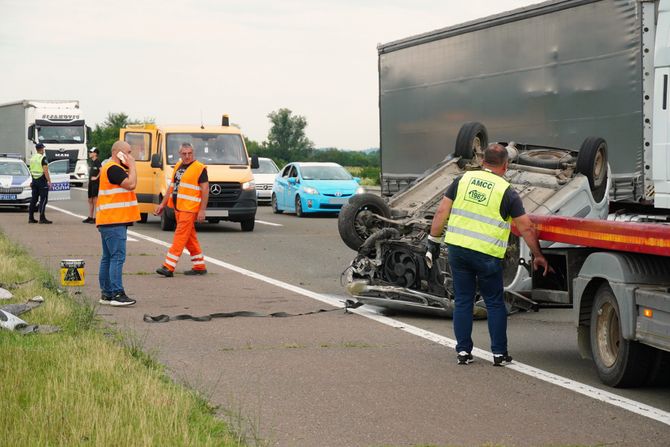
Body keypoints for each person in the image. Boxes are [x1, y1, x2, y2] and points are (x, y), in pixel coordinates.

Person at [426, 143, 550, 366]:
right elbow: (526, 228)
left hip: (458, 250)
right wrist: (537, 254)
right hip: (486, 255)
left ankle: (463, 352)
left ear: (483, 161)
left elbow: (442, 211)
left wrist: (433, 241)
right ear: (506, 165)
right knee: (493, 302)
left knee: (463, 300)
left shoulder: (462, 180)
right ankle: (499, 354)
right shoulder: (506, 191)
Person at [154, 142, 209, 277]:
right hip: (178, 208)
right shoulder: (178, 166)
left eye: (190, 153)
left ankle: (168, 266)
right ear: (180, 154)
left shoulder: (200, 168)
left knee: (180, 237)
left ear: (193, 153)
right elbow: (171, 187)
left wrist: (202, 210)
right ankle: (199, 266)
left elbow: (205, 189)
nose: (187, 156)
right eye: (184, 154)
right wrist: (162, 204)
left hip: (189, 209)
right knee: (190, 238)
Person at [96, 141, 140, 306]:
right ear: (119, 153)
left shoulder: (111, 168)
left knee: (107, 257)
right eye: (128, 152)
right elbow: (131, 184)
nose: (131, 156)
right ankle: (116, 294)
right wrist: (133, 166)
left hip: (108, 219)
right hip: (114, 220)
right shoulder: (114, 168)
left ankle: (107, 294)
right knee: (117, 257)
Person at [28, 143, 52, 224]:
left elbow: (31, 170)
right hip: (41, 181)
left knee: (33, 199)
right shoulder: (43, 158)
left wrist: (32, 180)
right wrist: (49, 181)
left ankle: (31, 218)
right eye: (43, 148)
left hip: (34, 180)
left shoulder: (32, 158)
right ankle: (42, 218)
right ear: (41, 149)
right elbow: (45, 171)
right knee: (43, 200)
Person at [83, 147, 102, 223]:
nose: (89, 153)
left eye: (91, 152)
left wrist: (96, 177)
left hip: (95, 183)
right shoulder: (91, 161)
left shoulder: (97, 161)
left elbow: (102, 170)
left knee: (95, 200)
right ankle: (90, 217)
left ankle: (96, 218)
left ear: (95, 153)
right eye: (89, 152)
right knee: (90, 200)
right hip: (91, 183)